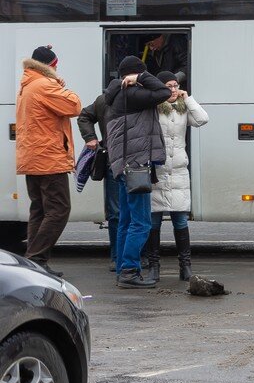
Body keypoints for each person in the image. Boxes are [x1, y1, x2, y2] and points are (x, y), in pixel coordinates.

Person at [104, 56, 172, 289]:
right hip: (136, 165)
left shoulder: (116, 95)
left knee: (125, 221)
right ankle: (130, 271)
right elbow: (164, 92)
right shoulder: (131, 93)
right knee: (141, 223)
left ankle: (122, 268)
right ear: (133, 75)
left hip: (124, 166)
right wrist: (142, 76)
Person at [15, 45, 82, 277]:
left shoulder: (27, 84)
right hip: (48, 158)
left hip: (33, 157)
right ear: (51, 66)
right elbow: (74, 105)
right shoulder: (45, 85)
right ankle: (37, 259)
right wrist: (59, 83)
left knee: (40, 210)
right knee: (59, 209)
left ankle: (33, 264)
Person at [146, 72, 209, 282]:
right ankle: (154, 266)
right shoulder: (153, 108)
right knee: (153, 222)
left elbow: (202, 119)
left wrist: (187, 98)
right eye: (168, 86)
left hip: (179, 171)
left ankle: (185, 266)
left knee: (180, 220)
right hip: (157, 171)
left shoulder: (183, 109)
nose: (173, 90)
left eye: (176, 85)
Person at [78, 93, 121, 272]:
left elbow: (84, 116)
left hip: (115, 162)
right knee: (125, 213)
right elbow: (84, 116)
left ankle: (119, 257)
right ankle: (124, 257)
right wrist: (90, 137)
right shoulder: (106, 99)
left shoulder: (104, 99)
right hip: (124, 163)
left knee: (117, 213)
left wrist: (90, 137)